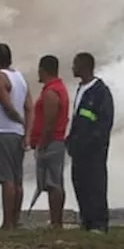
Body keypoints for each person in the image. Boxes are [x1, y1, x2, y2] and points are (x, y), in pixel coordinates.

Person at [68, 51, 114, 233]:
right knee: (80, 184)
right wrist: (70, 140)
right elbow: (78, 118)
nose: (72, 67)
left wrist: (92, 143)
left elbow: (104, 123)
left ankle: (99, 224)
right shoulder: (81, 89)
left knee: (96, 185)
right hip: (78, 149)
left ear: (84, 66)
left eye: (75, 64)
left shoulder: (100, 92)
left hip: (93, 151)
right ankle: (86, 221)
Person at [0, 43, 31, 231]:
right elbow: (30, 107)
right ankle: (16, 220)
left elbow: (7, 107)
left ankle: (7, 223)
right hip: (18, 134)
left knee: (7, 180)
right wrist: (27, 133)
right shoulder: (21, 78)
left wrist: (19, 120)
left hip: (3, 132)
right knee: (17, 179)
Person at [29, 55, 70, 229]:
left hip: (52, 142)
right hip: (55, 141)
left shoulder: (51, 91)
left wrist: (42, 143)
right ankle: (56, 222)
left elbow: (50, 121)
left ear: (43, 70)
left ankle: (56, 223)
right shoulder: (57, 88)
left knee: (53, 183)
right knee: (54, 182)